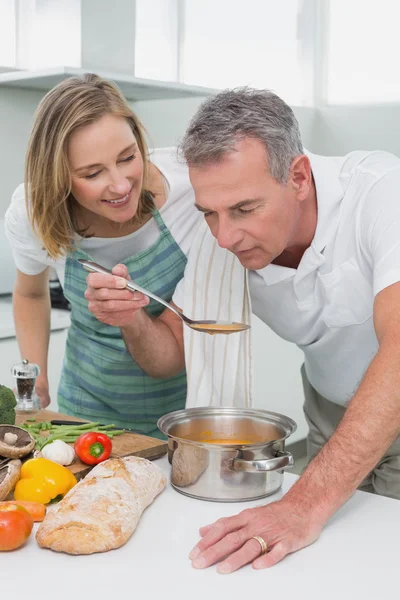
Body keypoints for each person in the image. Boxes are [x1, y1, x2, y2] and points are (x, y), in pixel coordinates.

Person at [86, 87, 400, 571]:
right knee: (330, 563)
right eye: (209, 213)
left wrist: (302, 504)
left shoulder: (380, 193)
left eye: (245, 209)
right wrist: (131, 320)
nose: (224, 237)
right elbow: (171, 352)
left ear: (297, 177)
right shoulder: (219, 243)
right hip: (329, 414)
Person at [5, 73, 203, 438]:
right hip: (85, 405)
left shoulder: (190, 194)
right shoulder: (34, 211)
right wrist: (38, 374)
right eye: (92, 173)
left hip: (184, 405)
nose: (120, 185)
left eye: (128, 157)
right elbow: (30, 292)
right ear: (58, 176)